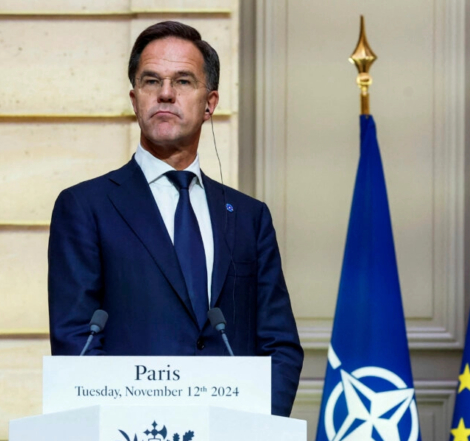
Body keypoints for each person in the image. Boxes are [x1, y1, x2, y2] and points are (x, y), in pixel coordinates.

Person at [47, 21, 304, 417]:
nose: (165, 93)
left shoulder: (250, 217)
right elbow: (75, 340)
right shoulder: (85, 207)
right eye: (151, 81)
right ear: (135, 99)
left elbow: (280, 344)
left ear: (210, 102)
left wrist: (258, 432)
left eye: (183, 81)